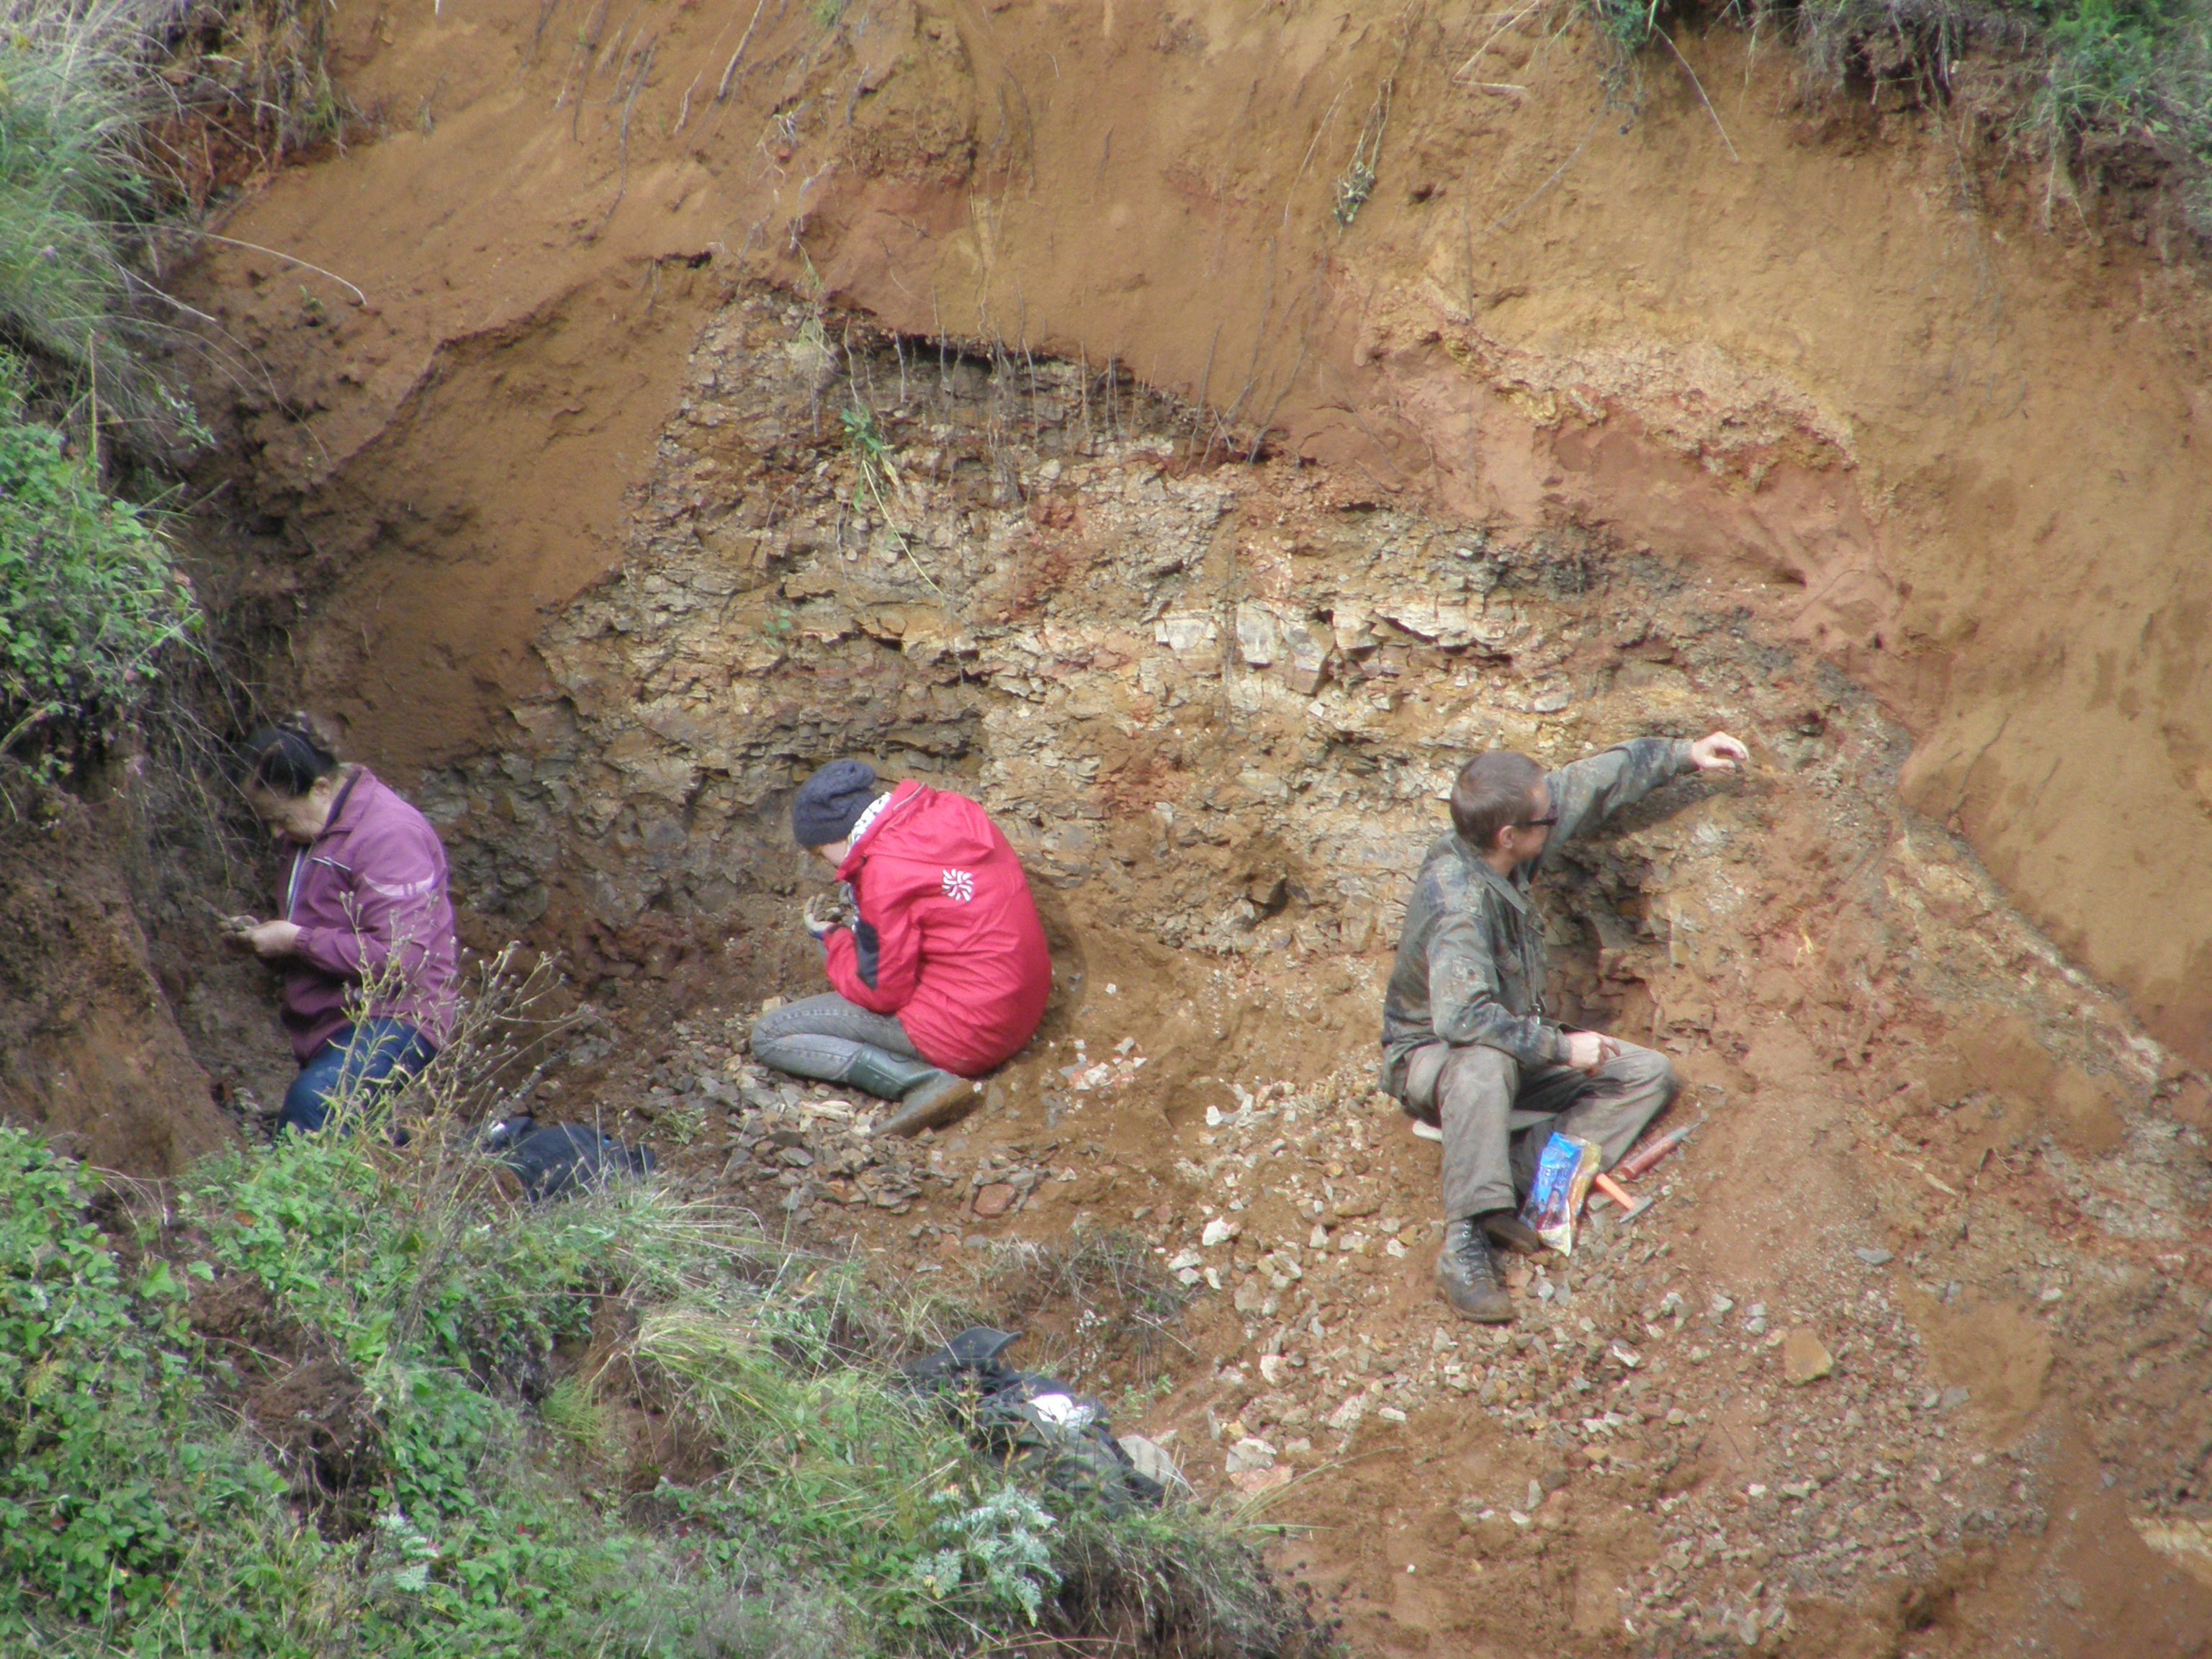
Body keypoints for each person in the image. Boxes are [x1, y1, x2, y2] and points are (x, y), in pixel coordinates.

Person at [1382, 730, 1750, 1323]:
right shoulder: (1459, 908)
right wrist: (1560, 1046)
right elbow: (1461, 1020)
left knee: (1645, 1074)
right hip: (1432, 1059)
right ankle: (1466, 1241)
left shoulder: (1507, 843)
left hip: (1510, 1040)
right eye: (1544, 816)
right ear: (1511, 836)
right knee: (1484, 1060)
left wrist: (1683, 753)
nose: (1555, 815)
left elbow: (1586, 783)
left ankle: (1517, 1173)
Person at [752, 760, 1051, 1137]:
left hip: (969, 1033)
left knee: (770, 1034)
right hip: (1019, 1010)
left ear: (833, 839)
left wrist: (833, 939)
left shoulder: (884, 870)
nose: (825, 866)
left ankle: (920, 1082)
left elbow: (882, 992)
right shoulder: (955, 812)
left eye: (817, 854)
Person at [226, 716, 459, 1134]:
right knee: (340, 1128)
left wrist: (295, 940)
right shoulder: (313, 832)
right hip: (336, 1020)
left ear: (320, 788)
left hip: (396, 1017)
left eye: (281, 818)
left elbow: (401, 958)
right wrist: (264, 941)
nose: (276, 833)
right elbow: (323, 926)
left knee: (314, 1106)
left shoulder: (389, 836)